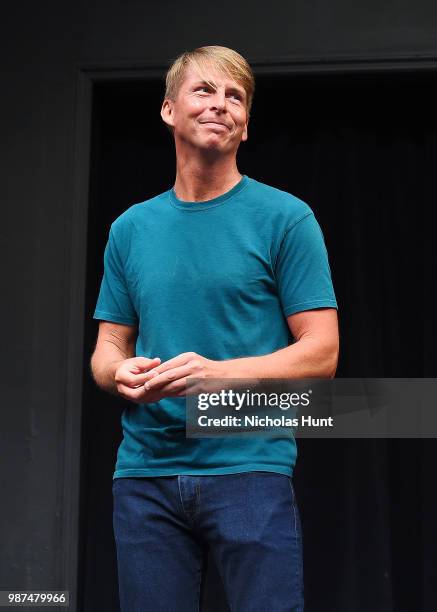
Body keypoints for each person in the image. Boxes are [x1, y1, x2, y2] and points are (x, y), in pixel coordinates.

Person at [91, 45, 339, 612]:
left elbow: (322, 353)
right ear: (168, 110)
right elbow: (109, 345)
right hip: (145, 476)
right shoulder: (131, 228)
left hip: (248, 466)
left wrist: (219, 375)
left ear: (246, 125)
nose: (220, 105)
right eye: (204, 90)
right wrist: (116, 371)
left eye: (236, 97)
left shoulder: (286, 218)